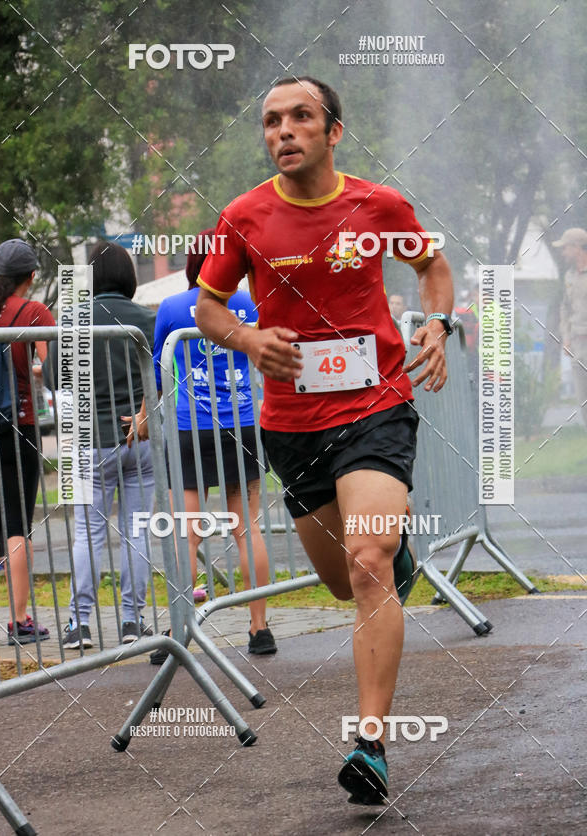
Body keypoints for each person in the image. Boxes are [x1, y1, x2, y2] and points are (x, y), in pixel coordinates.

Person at [194, 76, 454, 805]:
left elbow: (432, 266)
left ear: (333, 131)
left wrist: (439, 323)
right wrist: (248, 338)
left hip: (377, 404)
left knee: (368, 561)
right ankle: (393, 553)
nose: (283, 131)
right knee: (345, 582)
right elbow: (210, 307)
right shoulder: (243, 216)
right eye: (271, 121)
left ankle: (370, 744)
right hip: (291, 424)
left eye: (301, 117)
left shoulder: (379, 205)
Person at [142, 230, 276, 661]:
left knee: (186, 532)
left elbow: (157, 370)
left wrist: (143, 416)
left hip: (189, 428)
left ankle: (178, 630)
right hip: (242, 422)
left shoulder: (172, 307)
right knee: (247, 528)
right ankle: (260, 628)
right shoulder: (250, 305)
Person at [48, 242, 157, 649]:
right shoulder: (147, 319)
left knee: (88, 533)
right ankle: (132, 621)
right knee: (136, 530)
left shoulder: (71, 320)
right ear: (129, 276)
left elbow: (54, 380)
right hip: (140, 438)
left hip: (89, 440)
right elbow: (166, 374)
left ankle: (79, 624)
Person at [0, 238, 55, 646]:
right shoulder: (33, 312)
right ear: (32, 276)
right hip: (17, 426)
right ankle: (19, 620)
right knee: (17, 525)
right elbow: (52, 367)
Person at [554, 228, 587, 426]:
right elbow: (565, 308)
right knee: (584, 402)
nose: (563, 252)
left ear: (577, 247)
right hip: (577, 346)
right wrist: (566, 338)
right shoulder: (569, 276)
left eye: (565, 248)